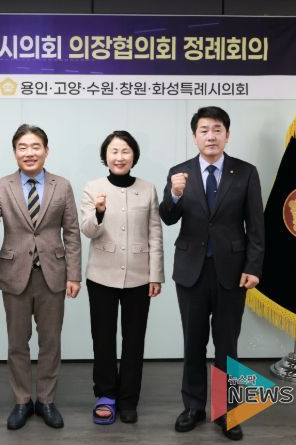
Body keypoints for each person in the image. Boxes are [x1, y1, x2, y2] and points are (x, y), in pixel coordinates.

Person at [159, 106, 264, 441]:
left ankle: (227, 411)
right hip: (191, 270)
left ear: (227, 135)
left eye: (217, 129)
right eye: (204, 130)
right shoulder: (179, 173)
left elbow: (256, 226)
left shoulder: (245, 172)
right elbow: (167, 217)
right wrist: (175, 194)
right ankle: (193, 407)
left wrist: (253, 267)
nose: (211, 136)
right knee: (193, 342)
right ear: (195, 137)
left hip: (232, 272)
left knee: (226, 344)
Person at [0, 124, 82, 430]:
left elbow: (72, 232)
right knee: (17, 343)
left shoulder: (62, 186)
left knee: (50, 342)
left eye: (35, 146)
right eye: (22, 147)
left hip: (53, 274)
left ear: (46, 150)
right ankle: (22, 400)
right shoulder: (2, 185)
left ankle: (46, 401)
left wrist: (74, 274)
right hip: (15, 274)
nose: (29, 152)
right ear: (15, 152)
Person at [80, 130, 164, 425]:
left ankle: (128, 399)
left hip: (140, 276)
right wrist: (99, 212)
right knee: (103, 338)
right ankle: (105, 394)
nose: (119, 157)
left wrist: (156, 274)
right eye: (114, 151)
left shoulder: (148, 189)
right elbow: (87, 230)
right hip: (101, 275)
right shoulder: (93, 188)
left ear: (134, 156)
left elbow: (155, 233)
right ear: (105, 156)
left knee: (134, 340)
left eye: (125, 151)